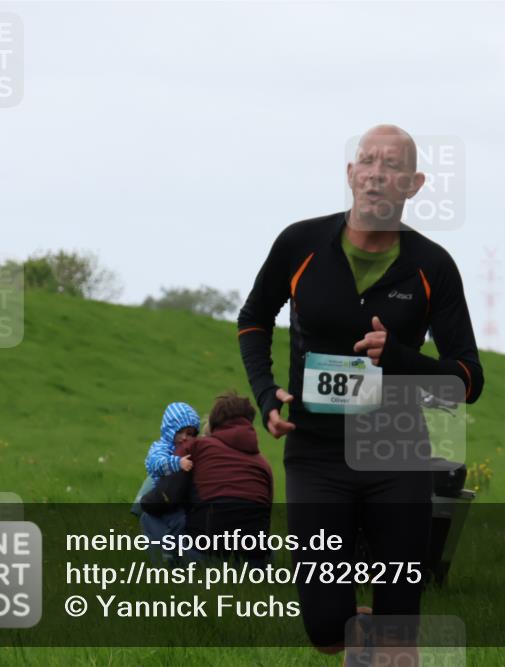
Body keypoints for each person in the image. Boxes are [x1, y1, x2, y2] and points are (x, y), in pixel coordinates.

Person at [237, 125, 484, 662]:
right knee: (326, 629)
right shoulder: (300, 244)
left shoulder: (432, 266)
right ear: (350, 175)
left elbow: (468, 379)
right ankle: (361, 635)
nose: (377, 173)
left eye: (392, 165)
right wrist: (265, 395)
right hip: (317, 453)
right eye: (367, 161)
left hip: (397, 455)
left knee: (398, 627)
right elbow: (253, 320)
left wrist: (397, 357)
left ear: (413, 184)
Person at [176, 391, 274, 565]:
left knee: (153, 515)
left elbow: (169, 481)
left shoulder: (198, 446)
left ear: (214, 422)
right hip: (254, 562)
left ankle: (165, 569)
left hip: (205, 553)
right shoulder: (263, 466)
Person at [138, 401, 200, 545]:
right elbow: (155, 463)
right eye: (180, 432)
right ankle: (167, 553)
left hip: (180, 500)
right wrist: (177, 463)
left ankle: (176, 554)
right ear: (169, 430)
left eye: (190, 433)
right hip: (162, 497)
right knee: (166, 525)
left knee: (181, 523)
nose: (184, 437)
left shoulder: (190, 449)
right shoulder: (161, 447)